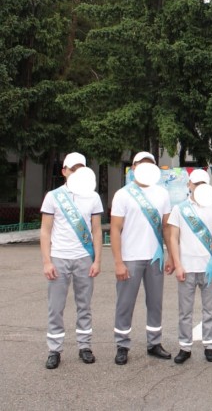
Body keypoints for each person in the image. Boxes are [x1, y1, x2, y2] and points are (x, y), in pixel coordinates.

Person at [40, 152, 103, 369]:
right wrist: (47, 262)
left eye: (80, 169)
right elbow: (45, 231)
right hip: (59, 258)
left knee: (84, 305)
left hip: (84, 258)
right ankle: (54, 350)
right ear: (64, 171)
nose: (76, 173)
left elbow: (96, 230)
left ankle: (85, 346)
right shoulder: (53, 196)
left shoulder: (93, 197)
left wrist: (97, 260)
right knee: (55, 307)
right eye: (72, 169)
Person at [111, 151, 173, 365]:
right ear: (134, 167)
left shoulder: (162, 194)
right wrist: (118, 262)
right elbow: (115, 229)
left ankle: (154, 343)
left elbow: (166, 227)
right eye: (141, 164)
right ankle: (122, 345)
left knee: (155, 303)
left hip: (155, 257)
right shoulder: (123, 194)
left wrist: (171, 256)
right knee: (125, 303)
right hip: (130, 257)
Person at [167, 169, 212, 364]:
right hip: (187, 267)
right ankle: (185, 347)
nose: (198, 187)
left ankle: (210, 345)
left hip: (208, 267)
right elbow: (173, 238)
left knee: (210, 310)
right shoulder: (179, 209)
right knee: (185, 311)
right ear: (189, 185)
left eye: (202, 184)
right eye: (196, 183)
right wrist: (178, 264)